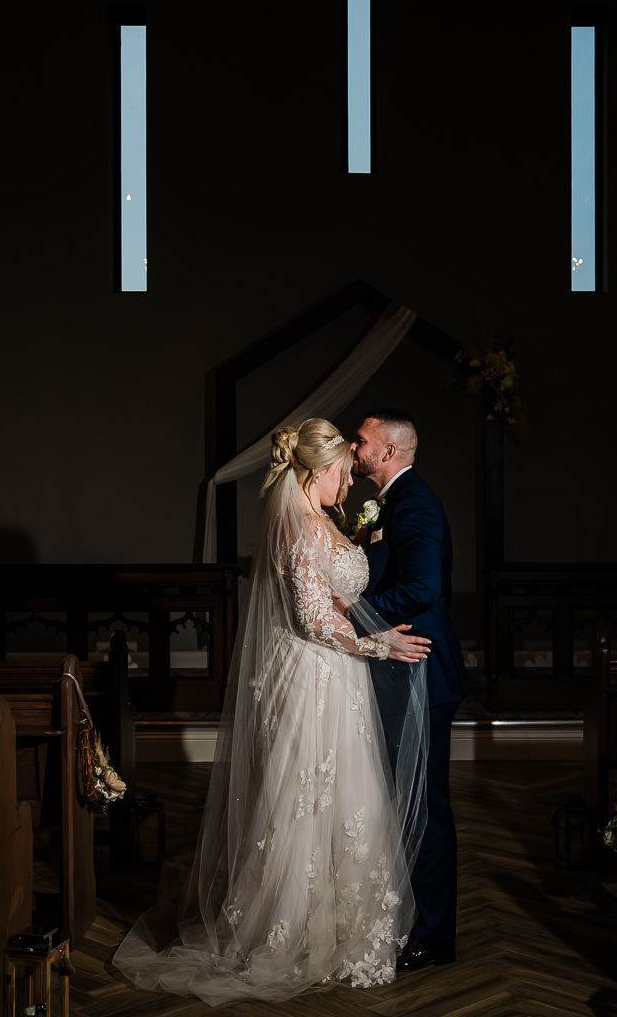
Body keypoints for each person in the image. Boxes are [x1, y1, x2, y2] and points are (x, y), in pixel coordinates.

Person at [112, 417, 433, 1003]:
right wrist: (379, 643)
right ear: (317, 470)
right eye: (341, 473)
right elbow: (311, 620)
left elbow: (332, 597)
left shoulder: (323, 522)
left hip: (339, 676)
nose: (347, 483)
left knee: (344, 796)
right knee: (303, 796)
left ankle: (338, 925)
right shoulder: (301, 527)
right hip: (311, 676)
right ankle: (291, 928)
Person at [351, 408, 465, 972]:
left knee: (425, 808)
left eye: (362, 441)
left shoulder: (413, 503)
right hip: (400, 671)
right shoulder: (393, 501)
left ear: (389, 451)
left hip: (420, 673)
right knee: (404, 804)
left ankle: (434, 937)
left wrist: (351, 616)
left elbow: (421, 588)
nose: (354, 448)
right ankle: (410, 920)